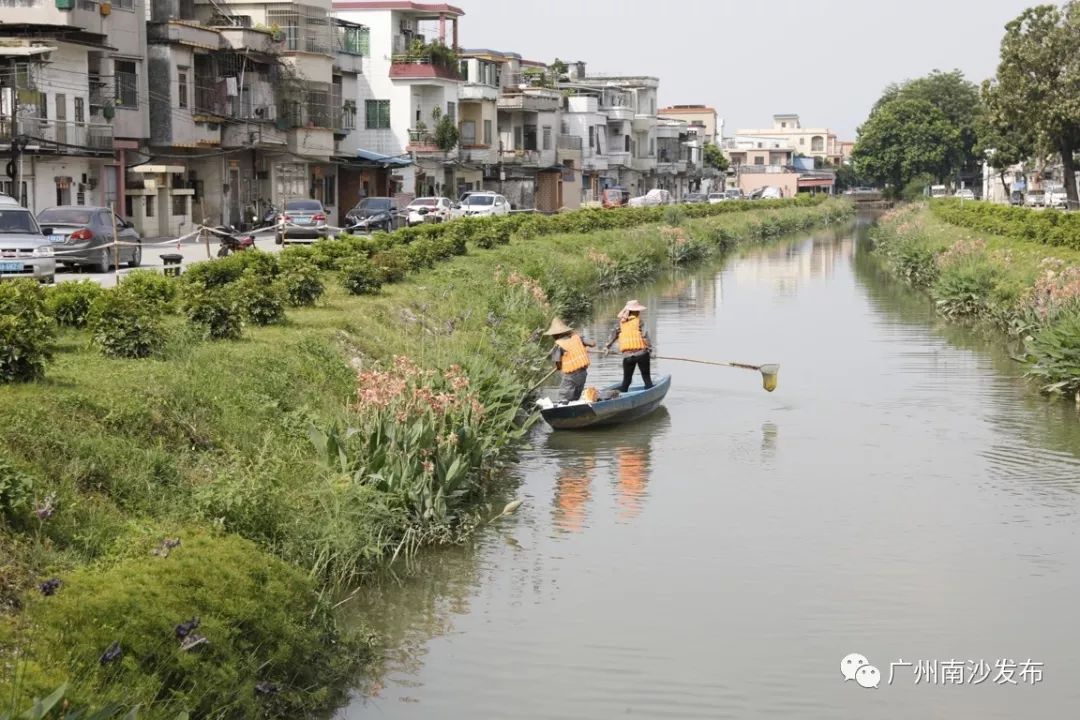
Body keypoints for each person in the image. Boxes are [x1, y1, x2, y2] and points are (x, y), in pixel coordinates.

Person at [604, 300, 653, 392]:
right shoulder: (639, 322)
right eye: (638, 311)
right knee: (647, 380)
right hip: (641, 354)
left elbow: (613, 336)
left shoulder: (621, 323)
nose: (639, 312)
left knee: (626, 382)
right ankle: (650, 391)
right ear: (636, 312)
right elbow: (645, 336)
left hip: (627, 357)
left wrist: (607, 347)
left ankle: (621, 393)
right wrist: (650, 349)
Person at [544, 317, 596, 403]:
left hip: (570, 376)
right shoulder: (576, 338)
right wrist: (578, 339)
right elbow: (592, 343)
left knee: (563, 398)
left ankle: (561, 412)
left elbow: (557, 363)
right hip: (583, 374)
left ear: (556, 335)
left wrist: (559, 367)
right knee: (575, 398)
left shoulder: (559, 345)